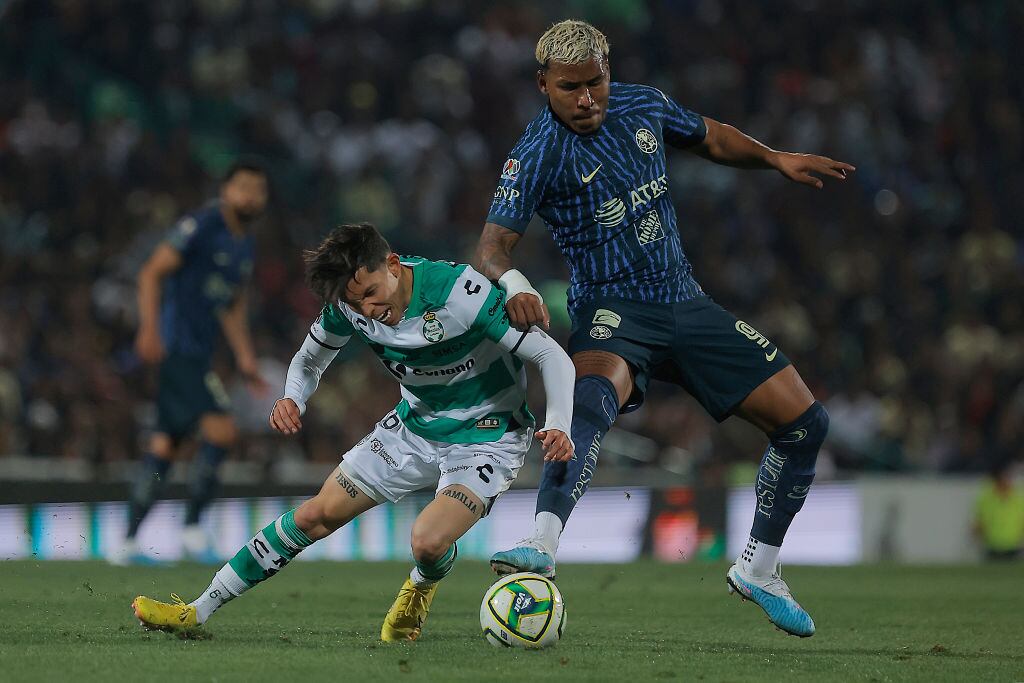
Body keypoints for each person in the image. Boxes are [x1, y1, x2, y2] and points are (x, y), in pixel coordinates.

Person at [474, 20, 855, 637]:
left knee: (807, 425)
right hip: (613, 312)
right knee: (588, 399)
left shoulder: (643, 104)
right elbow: (491, 247)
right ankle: (542, 541)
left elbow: (709, 137)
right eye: (570, 88)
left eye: (595, 82)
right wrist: (513, 283)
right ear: (543, 84)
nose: (587, 99)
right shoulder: (537, 152)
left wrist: (773, 158)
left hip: (686, 303)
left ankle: (759, 568)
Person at [131, 223, 575, 641]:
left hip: (487, 435)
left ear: (394, 264)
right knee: (313, 516)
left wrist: (557, 422)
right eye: (356, 301)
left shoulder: (460, 293)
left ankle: (421, 583)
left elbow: (553, 357)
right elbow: (308, 360)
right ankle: (198, 609)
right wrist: (292, 398)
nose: (369, 310)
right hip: (414, 427)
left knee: (427, 541)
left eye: (371, 293)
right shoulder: (349, 304)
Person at [113, 160, 270, 565]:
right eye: (243, 187)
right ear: (225, 191)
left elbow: (231, 305)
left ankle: (127, 541)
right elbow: (151, 272)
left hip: (197, 353)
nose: (250, 196)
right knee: (222, 430)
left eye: (258, 189)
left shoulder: (244, 243)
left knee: (165, 446)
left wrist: (245, 357)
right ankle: (194, 529)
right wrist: (149, 329)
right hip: (178, 348)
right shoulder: (202, 226)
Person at [973, 461, 1024, 561]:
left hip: (1014, 547)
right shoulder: (985, 499)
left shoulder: (1019, 499)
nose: (1006, 481)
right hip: (991, 547)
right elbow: (979, 523)